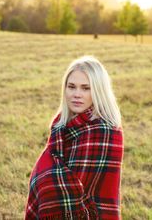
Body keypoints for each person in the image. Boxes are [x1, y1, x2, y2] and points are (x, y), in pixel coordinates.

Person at [24, 56, 124, 220]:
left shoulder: (105, 131)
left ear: (98, 91)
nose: (77, 94)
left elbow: (78, 191)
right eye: (72, 87)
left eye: (86, 88)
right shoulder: (60, 127)